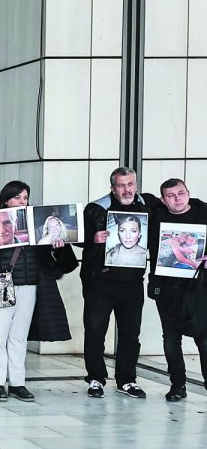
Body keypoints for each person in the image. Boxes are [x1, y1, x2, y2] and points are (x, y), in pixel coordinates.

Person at [0, 180, 77, 402]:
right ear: (6, 200)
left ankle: (17, 383)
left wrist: (57, 245)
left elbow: (55, 258)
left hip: (29, 283)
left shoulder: (35, 223)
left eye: (25, 198)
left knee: (19, 337)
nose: (22, 201)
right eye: (17, 197)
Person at [82, 167, 154, 399]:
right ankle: (96, 378)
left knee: (131, 334)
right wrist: (92, 239)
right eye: (121, 185)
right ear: (112, 188)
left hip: (132, 283)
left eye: (130, 184)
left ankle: (127, 380)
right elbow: (75, 236)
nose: (127, 189)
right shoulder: (96, 209)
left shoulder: (148, 206)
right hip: (99, 282)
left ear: (136, 185)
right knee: (95, 332)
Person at [147, 178, 207, 401]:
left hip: (199, 287)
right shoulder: (156, 217)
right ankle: (177, 385)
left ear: (188, 193)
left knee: (204, 338)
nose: (177, 199)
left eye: (181, 193)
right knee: (171, 338)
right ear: (163, 200)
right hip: (167, 287)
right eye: (170, 196)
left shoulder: (204, 213)